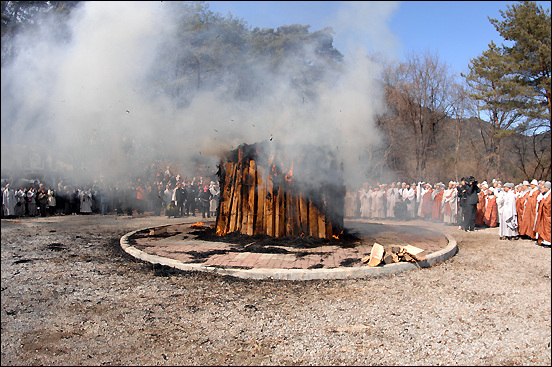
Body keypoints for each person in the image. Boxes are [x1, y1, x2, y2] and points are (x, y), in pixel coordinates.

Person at [534, 181, 551, 247]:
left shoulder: (549, 195)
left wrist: (543, 203)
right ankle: (544, 240)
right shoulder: (547, 194)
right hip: (544, 214)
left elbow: (547, 204)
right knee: (543, 227)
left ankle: (548, 241)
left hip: (548, 214)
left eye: (546, 187)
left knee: (548, 228)